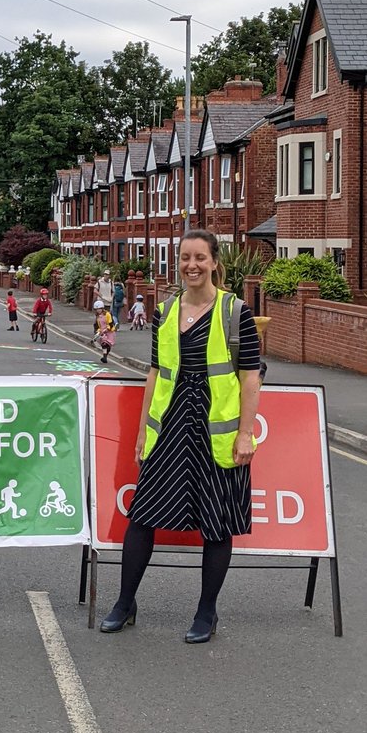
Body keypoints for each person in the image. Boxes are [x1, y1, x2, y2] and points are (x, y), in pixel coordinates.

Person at [99, 229, 261, 644]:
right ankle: (125, 603)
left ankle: (207, 612)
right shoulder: (165, 311)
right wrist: (142, 431)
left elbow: (250, 377)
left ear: (214, 262)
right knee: (143, 515)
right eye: (185, 258)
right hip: (169, 425)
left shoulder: (235, 311)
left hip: (215, 430)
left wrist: (245, 434)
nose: (192, 265)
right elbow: (155, 372)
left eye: (200, 258)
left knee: (217, 522)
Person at [93, 299, 116, 364]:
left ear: (102, 308)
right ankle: (104, 358)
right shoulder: (97, 317)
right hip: (103, 333)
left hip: (110, 332)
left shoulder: (107, 314)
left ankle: (105, 356)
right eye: (96, 309)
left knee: (108, 346)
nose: (98, 310)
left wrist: (107, 329)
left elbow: (111, 323)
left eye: (99, 309)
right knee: (104, 344)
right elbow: (97, 326)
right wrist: (98, 332)